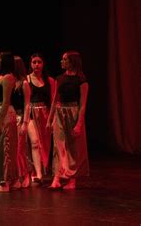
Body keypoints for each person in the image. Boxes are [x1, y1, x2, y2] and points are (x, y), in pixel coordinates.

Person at [47, 51, 89, 190]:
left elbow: (83, 104)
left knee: (72, 147)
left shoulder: (81, 81)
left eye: (64, 59)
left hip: (73, 112)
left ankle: (72, 179)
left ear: (72, 62)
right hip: (59, 112)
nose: (61, 61)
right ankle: (57, 178)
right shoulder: (59, 78)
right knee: (58, 145)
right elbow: (54, 100)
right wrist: (50, 119)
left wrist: (79, 124)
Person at [0, 51, 18, 192]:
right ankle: (3, 179)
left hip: (3, 113)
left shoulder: (8, 77)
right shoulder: (0, 77)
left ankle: (5, 182)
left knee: (5, 147)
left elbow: (6, 101)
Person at [26, 53, 55, 184]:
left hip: (45, 114)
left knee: (45, 144)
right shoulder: (27, 79)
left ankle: (42, 169)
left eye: (39, 62)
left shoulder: (50, 81)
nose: (36, 65)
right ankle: (38, 173)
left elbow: (54, 100)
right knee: (35, 143)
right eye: (34, 62)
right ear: (31, 64)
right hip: (32, 113)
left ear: (43, 64)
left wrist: (52, 118)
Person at [11, 55, 31, 189]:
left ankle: (25, 175)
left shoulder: (24, 83)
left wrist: (25, 122)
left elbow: (27, 104)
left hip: (20, 117)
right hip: (11, 117)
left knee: (20, 149)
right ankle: (17, 176)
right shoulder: (10, 81)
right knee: (13, 150)